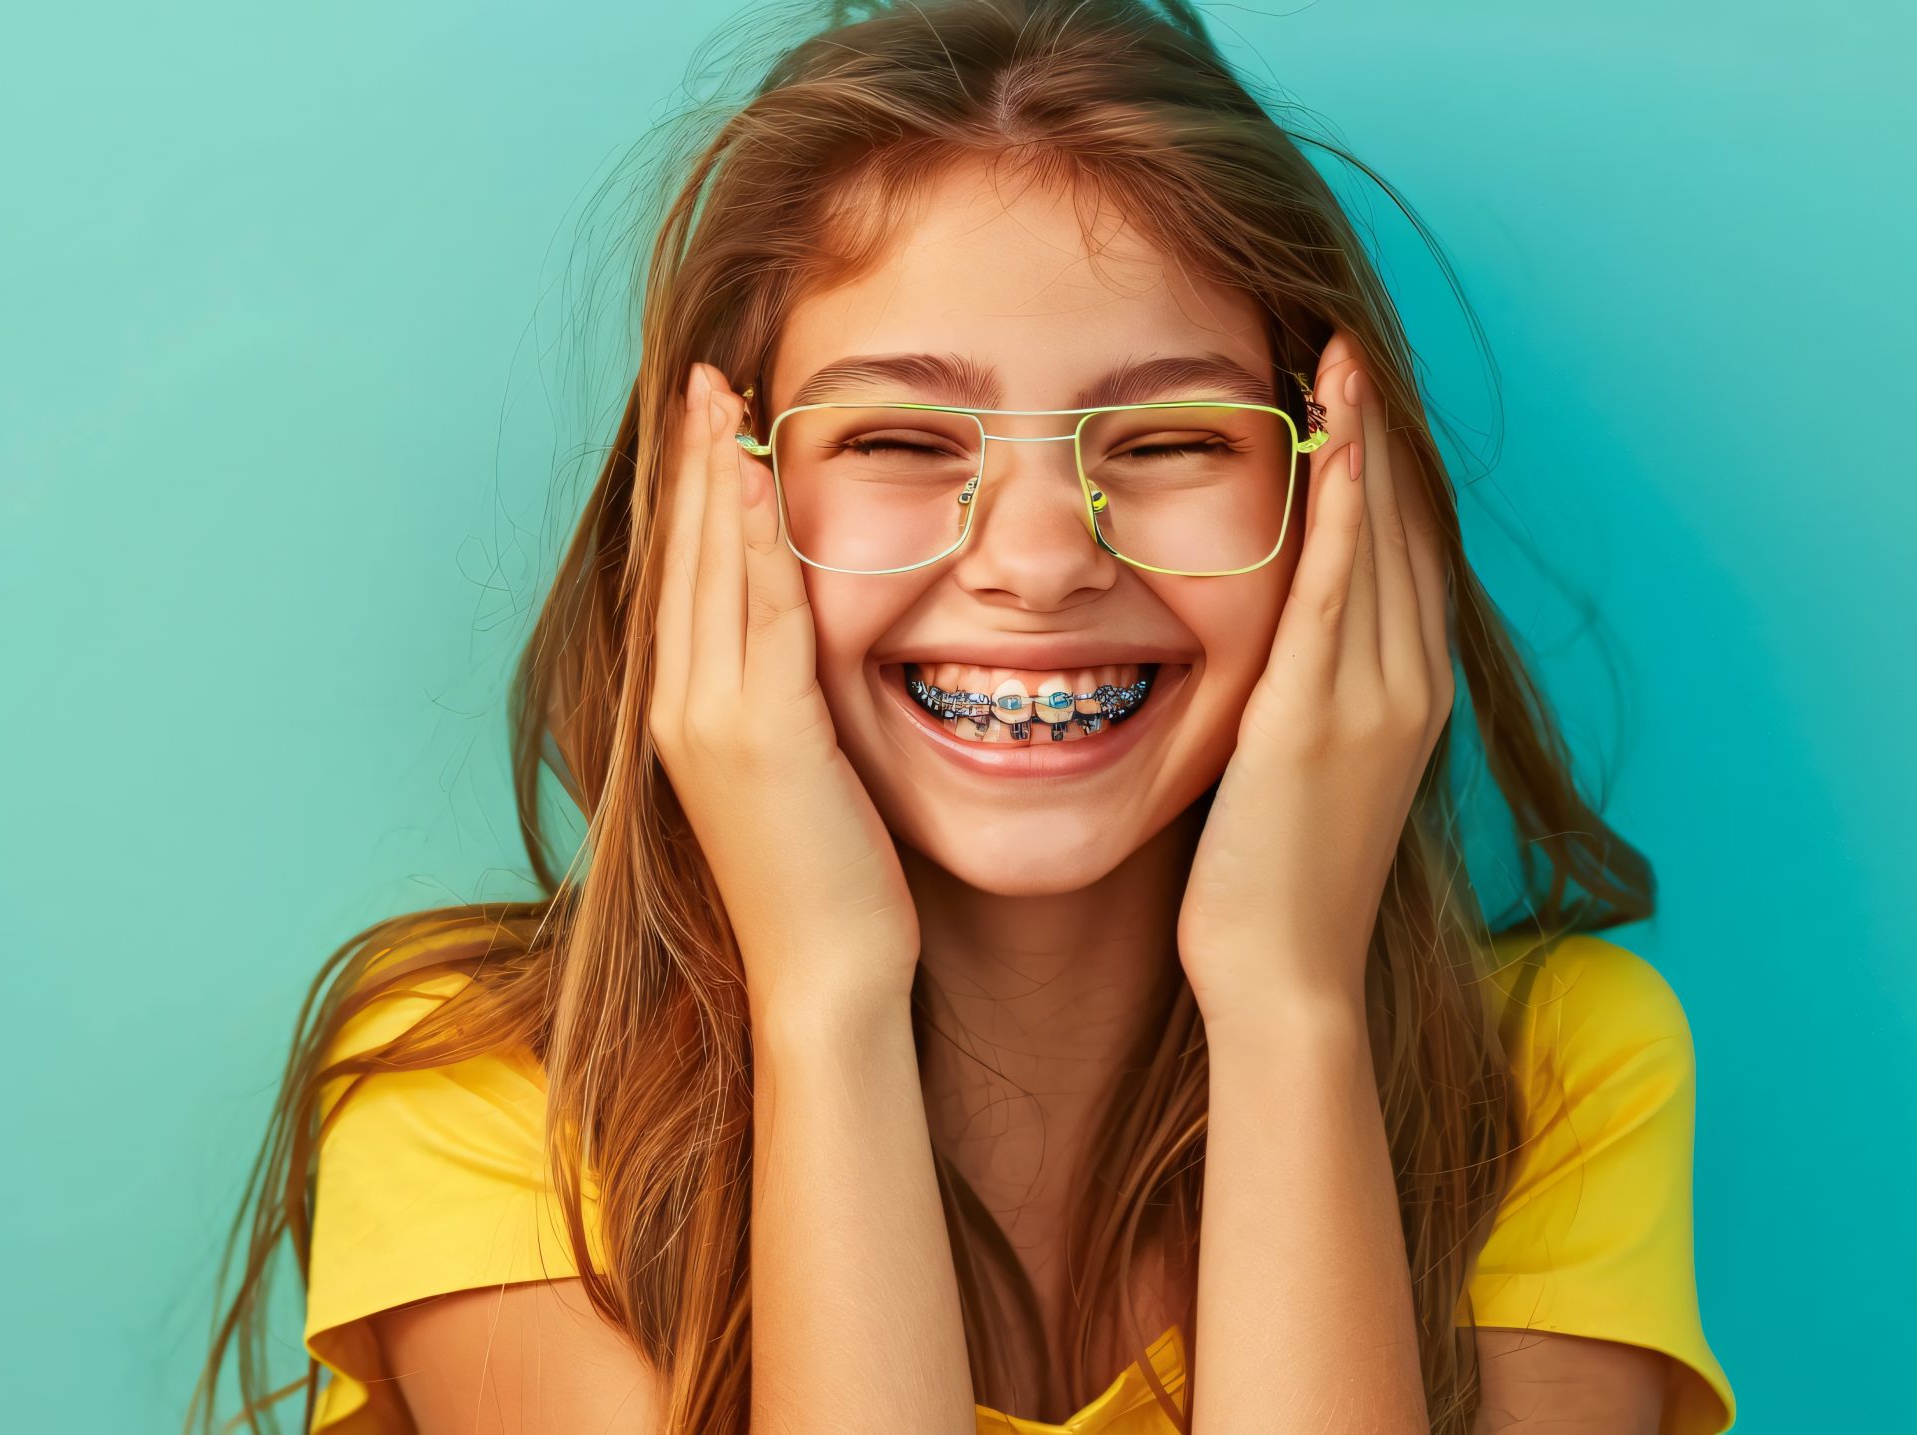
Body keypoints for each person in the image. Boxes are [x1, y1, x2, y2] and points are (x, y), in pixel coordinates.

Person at [191, 1, 1736, 1430]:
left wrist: (1287, 1008)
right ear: (718, 509)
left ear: (1342, 505)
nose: (1042, 561)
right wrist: (826, 998)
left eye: (1172, 436)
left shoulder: (1552, 1077)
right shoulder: (478, 1102)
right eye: (901, 437)